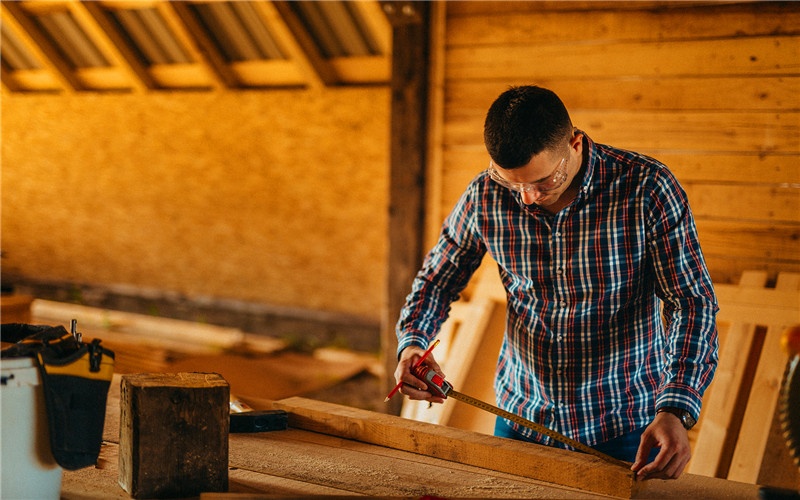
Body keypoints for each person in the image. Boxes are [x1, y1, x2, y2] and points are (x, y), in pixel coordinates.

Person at [392, 85, 719, 481]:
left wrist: (675, 408)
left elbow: (691, 301)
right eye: (513, 183)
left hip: (625, 424)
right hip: (520, 418)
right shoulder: (485, 195)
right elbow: (437, 281)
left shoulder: (646, 188)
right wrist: (412, 343)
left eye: (543, 181)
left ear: (575, 144)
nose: (527, 198)